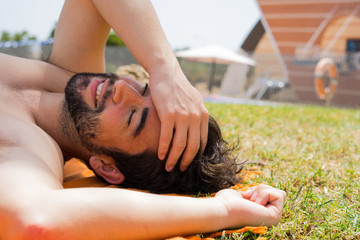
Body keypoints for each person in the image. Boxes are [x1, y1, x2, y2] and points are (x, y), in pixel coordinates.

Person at [0, 0, 286, 239]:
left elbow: (33, 220)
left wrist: (222, 211)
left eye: (133, 117)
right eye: (147, 89)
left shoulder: (26, 147)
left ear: (107, 167)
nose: (122, 88)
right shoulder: (69, 76)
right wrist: (165, 69)